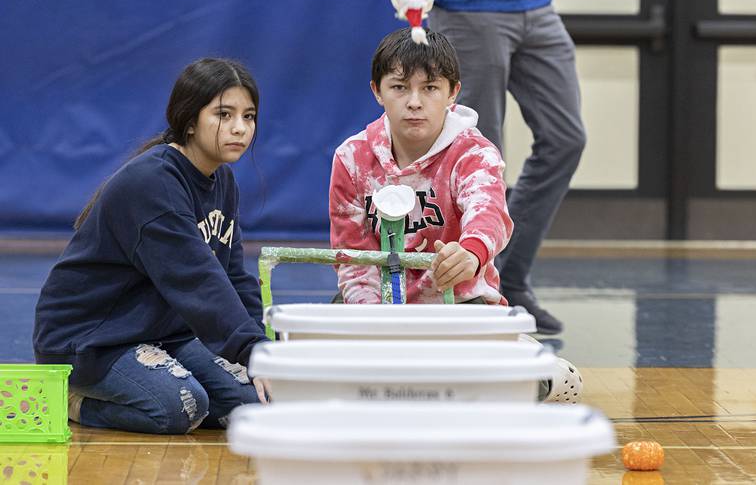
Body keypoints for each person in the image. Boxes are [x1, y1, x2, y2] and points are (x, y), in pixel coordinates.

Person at [33, 58, 270, 435]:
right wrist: (252, 351)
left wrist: (261, 352)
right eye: (224, 114)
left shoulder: (222, 180)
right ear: (190, 120)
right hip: (91, 340)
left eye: (249, 116)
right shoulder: (154, 182)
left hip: (161, 334)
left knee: (254, 403)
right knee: (181, 407)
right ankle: (72, 401)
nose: (240, 128)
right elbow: (197, 279)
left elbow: (233, 277)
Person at [421, 0, 587, 335]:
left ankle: (508, 275)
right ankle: (471, 291)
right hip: (466, 2)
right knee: (475, 155)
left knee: (566, 139)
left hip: (536, 0)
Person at [329, 27, 513, 305]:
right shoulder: (351, 158)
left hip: (461, 302)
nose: (414, 103)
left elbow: (488, 213)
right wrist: (375, 321)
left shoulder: (475, 154)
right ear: (377, 90)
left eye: (430, 88)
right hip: (378, 303)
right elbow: (353, 258)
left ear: (453, 92)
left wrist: (471, 253)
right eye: (399, 87)